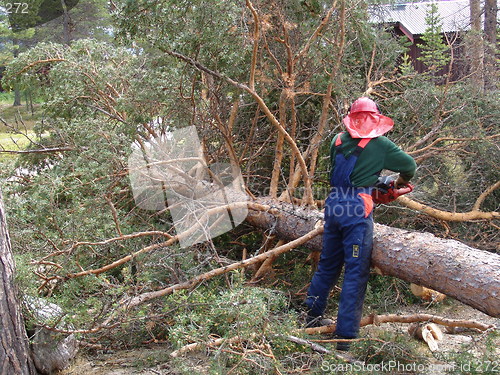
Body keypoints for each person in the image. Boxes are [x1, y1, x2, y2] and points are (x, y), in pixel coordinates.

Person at [304, 97, 416, 351]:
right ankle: (345, 338)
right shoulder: (381, 144)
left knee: (327, 266)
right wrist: (398, 181)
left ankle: (310, 318)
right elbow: (410, 166)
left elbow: (344, 173)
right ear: (375, 118)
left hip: (334, 205)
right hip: (356, 208)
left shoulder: (337, 140)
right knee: (355, 272)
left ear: (351, 117)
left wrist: (374, 179)